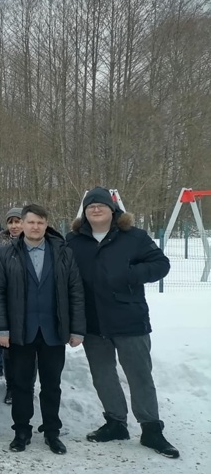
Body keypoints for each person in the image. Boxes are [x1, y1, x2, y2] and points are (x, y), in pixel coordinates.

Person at [67, 187, 178, 458]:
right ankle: (116, 422)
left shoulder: (134, 237)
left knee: (139, 375)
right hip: (93, 323)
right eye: (90, 206)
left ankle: (151, 427)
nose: (96, 209)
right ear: (85, 211)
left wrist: (128, 274)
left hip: (129, 319)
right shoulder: (74, 241)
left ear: (112, 209)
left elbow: (161, 264)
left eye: (101, 205)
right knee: (103, 376)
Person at [0, 204, 85, 456]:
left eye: (40, 222)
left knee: (51, 385)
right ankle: (21, 431)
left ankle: (52, 431)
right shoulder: (7, 253)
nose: (35, 227)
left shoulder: (62, 252)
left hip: (54, 331)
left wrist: (77, 329)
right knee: (21, 385)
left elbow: (75, 290)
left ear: (46, 225)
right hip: (20, 331)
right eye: (30, 222)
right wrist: (2, 328)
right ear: (21, 224)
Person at [0, 206, 26, 402]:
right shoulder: (1, 245)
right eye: (11, 222)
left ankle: (25, 386)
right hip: (8, 302)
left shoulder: (34, 244)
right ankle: (11, 386)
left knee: (29, 349)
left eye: (18, 221)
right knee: (8, 350)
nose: (14, 226)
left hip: (30, 303)